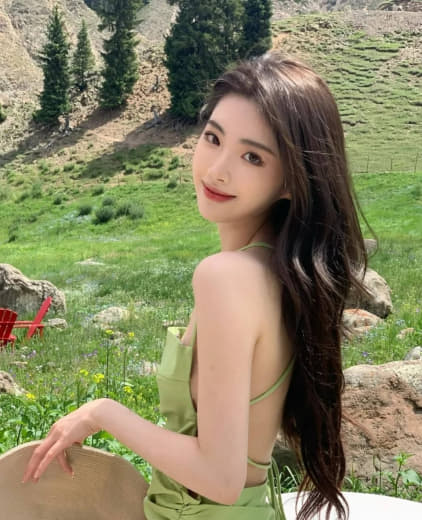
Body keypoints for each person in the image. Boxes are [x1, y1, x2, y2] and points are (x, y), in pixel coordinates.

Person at [22, 51, 368, 520]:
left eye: (252, 157)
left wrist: (102, 413)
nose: (217, 169)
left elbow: (220, 478)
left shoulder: (226, 277)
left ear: (292, 180)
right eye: (213, 138)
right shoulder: (279, 271)